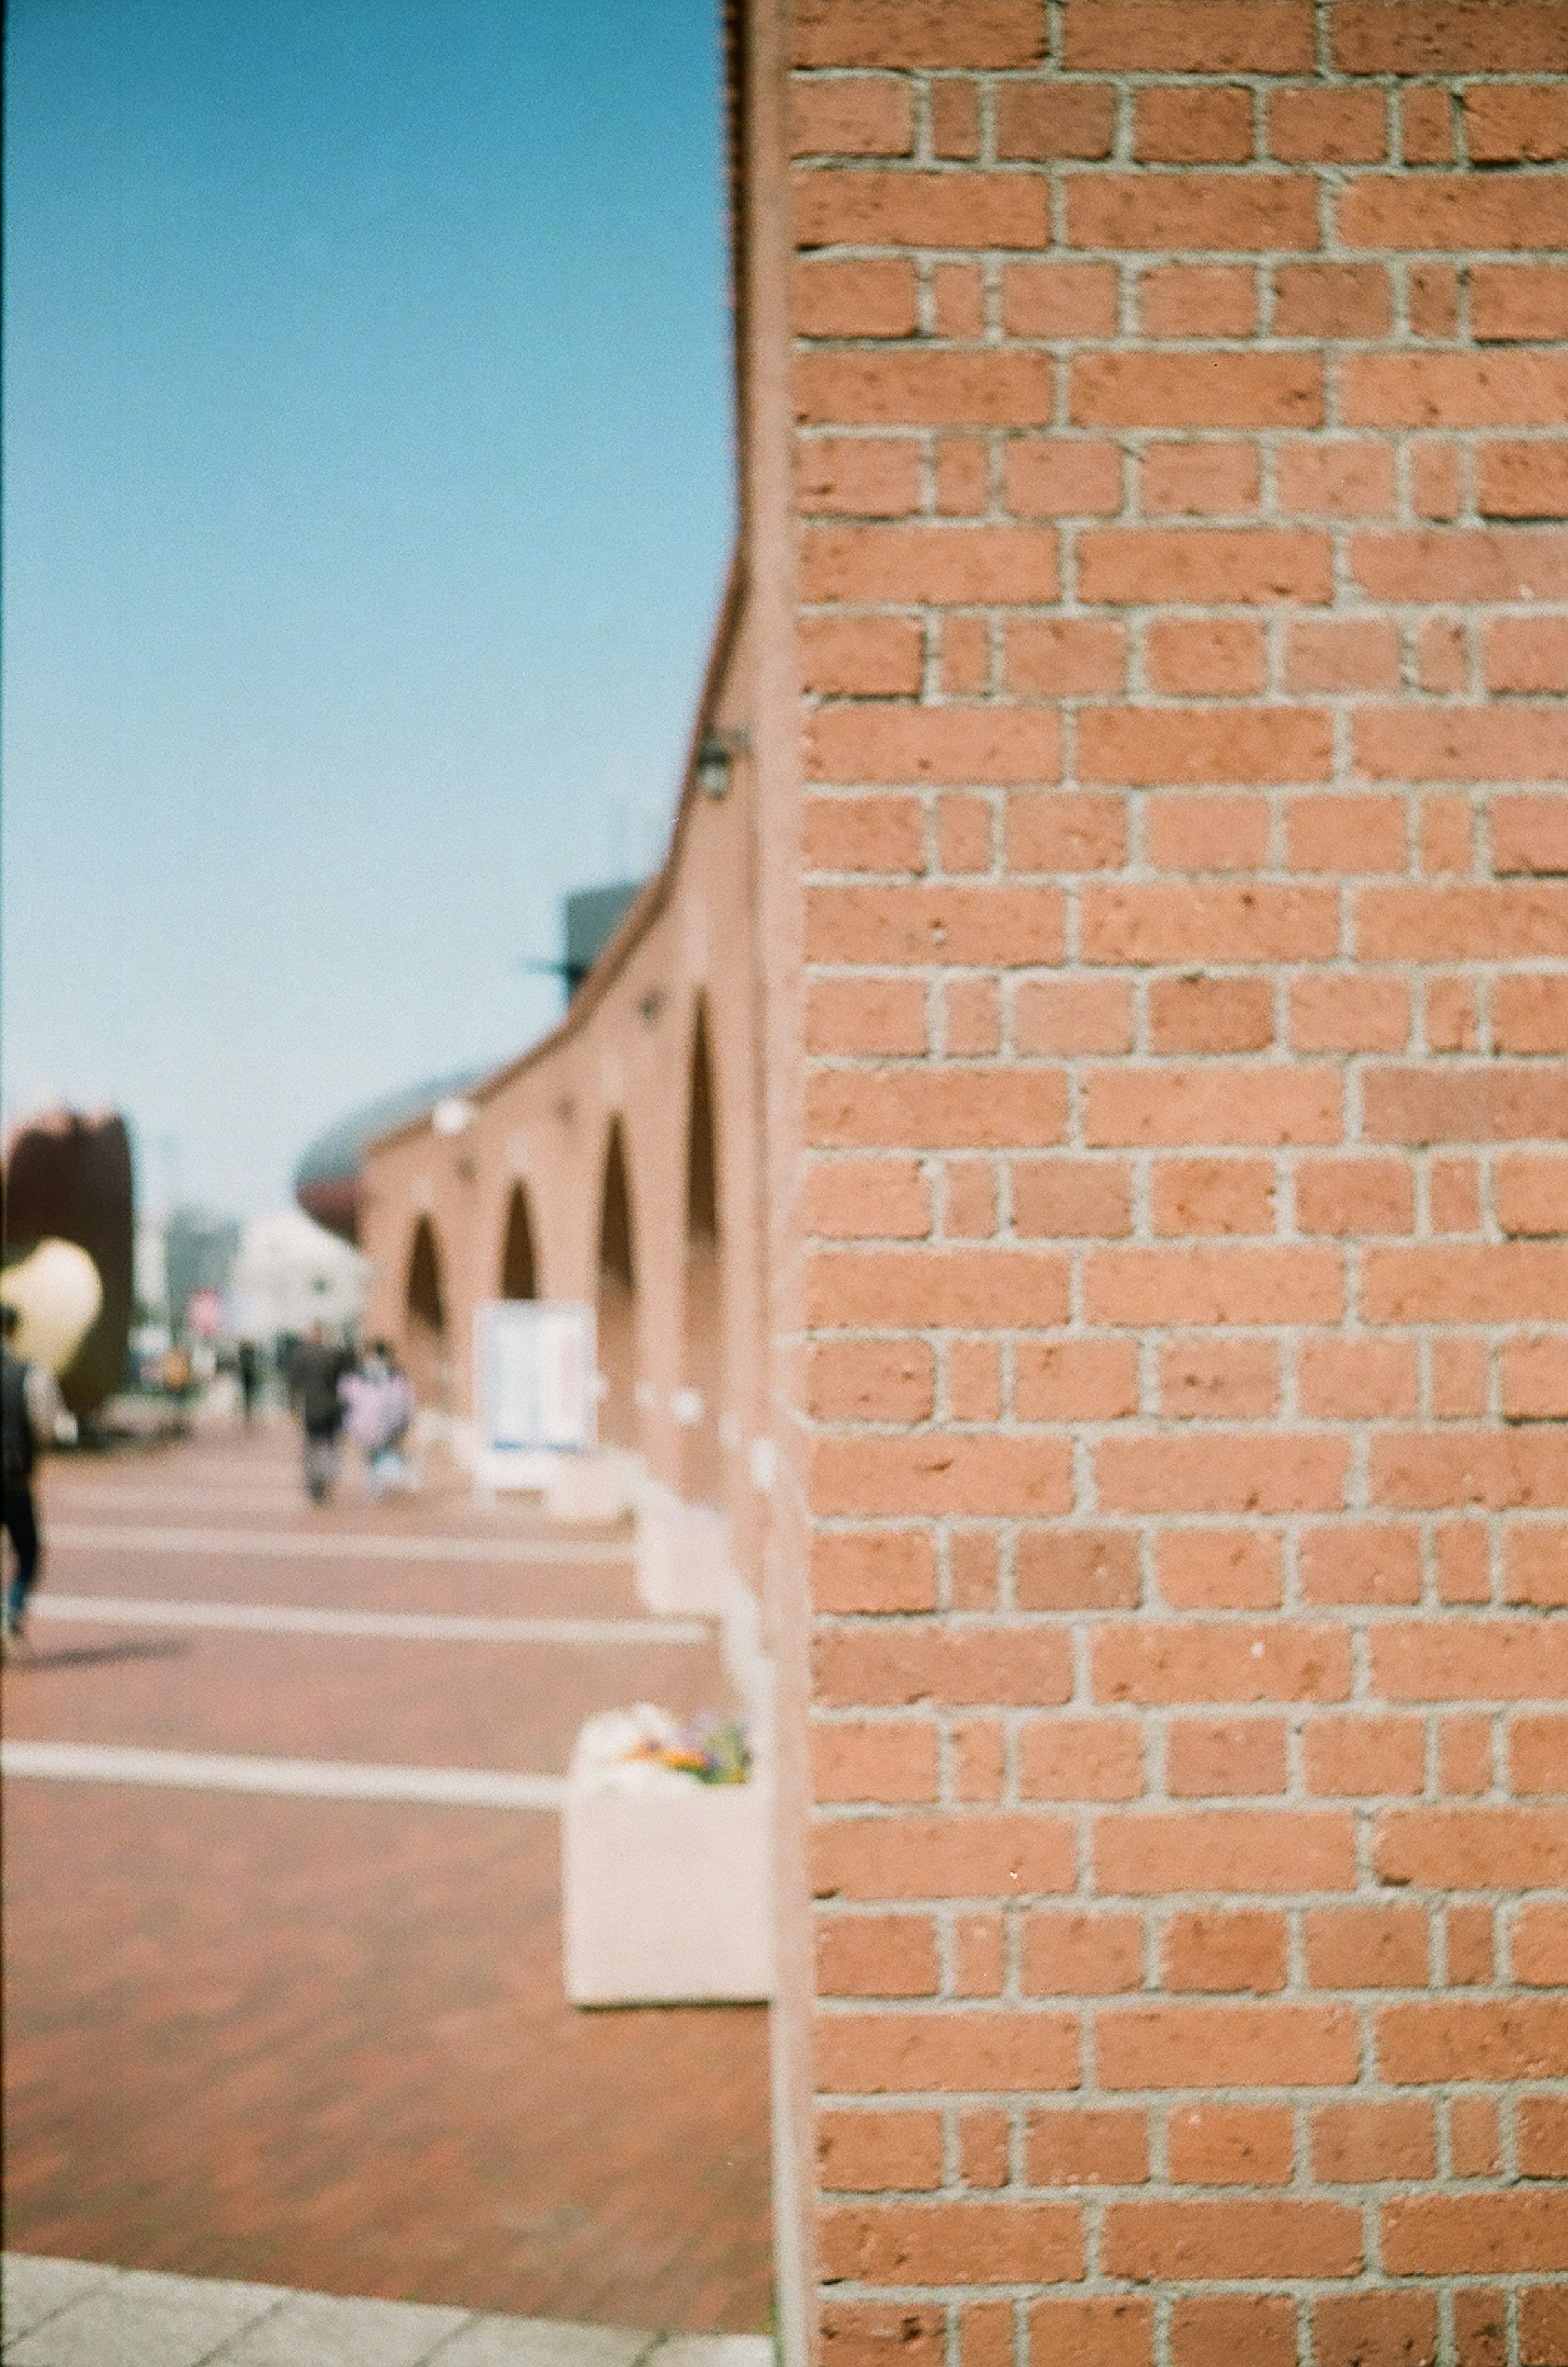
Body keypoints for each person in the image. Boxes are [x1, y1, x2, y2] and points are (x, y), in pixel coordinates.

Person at [2, 1303, 76, 1652]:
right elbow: (49, 1427)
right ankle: (11, 1613)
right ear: (14, 1331)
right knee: (28, 1555)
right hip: (14, 1481)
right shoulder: (30, 1375)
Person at [340, 1340, 416, 1498]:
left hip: (391, 1423)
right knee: (371, 1454)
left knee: (387, 1451)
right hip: (365, 1424)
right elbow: (347, 1397)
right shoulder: (358, 1376)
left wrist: (406, 1417)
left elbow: (407, 1398)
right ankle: (376, 1483)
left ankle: (383, 1480)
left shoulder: (395, 1376)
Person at [288, 1323, 351, 1503]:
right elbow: (346, 1382)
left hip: (312, 1409)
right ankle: (328, 1479)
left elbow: (294, 1384)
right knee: (330, 1446)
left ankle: (315, 1484)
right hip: (332, 1408)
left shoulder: (302, 1355)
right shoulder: (334, 1355)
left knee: (313, 1446)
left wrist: (293, 1409)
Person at [236, 1338, 261, 1422]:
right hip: (247, 1376)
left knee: (248, 1394)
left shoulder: (246, 1352)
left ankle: (249, 1410)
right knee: (248, 1394)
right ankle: (248, 1410)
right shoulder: (246, 1352)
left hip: (247, 1376)